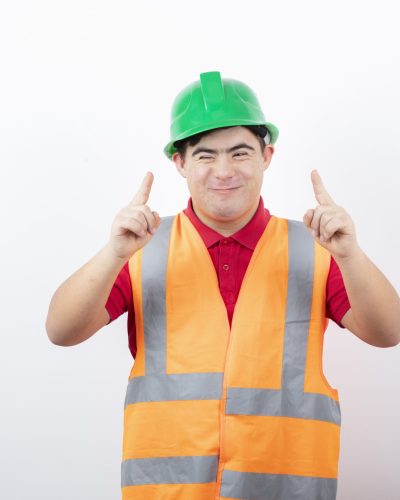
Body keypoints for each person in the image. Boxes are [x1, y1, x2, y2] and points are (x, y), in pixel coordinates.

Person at [46, 71, 400, 500]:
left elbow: (388, 333)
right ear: (179, 162)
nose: (224, 171)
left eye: (240, 152)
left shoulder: (317, 247)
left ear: (267, 155)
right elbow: (61, 331)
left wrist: (351, 254)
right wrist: (112, 253)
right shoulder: (141, 248)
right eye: (205, 156)